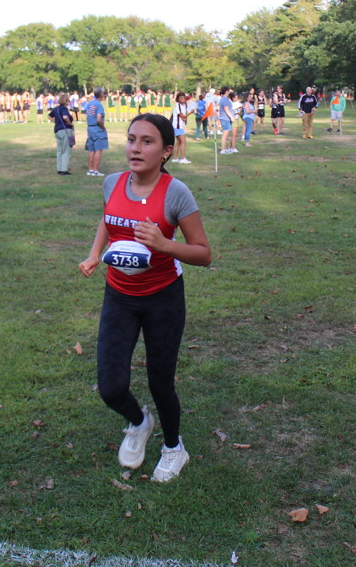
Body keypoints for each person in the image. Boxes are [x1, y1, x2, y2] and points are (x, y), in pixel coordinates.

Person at [78, 113, 212, 483]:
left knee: (160, 382)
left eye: (147, 141)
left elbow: (204, 254)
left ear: (166, 151)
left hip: (162, 298)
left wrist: (164, 244)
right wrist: (95, 254)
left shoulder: (176, 193)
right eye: (131, 139)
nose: (135, 148)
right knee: (111, 387)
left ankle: (173, 447)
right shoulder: (112, 182)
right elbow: (108, 219)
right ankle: (139, 422)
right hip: (119, 296)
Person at [85, 87, 108, 176]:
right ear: (101, 94)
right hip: (97, 129)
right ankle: (95, 170)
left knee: (92, 150)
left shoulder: (89, 104)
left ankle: (90, 170)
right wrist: (103, 127)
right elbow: (99, 119)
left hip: (90, 128)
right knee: (98, 150)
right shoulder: (99, 105)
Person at [52, 92, 75, 175]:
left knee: (60, 150)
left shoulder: (56, 109)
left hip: (57, 130)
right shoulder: (64, 109)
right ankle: (64, 169)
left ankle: (59, 168)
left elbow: (49, 116)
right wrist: (70, 123)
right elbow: (65, 117)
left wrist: (55, 122)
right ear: (66, 101)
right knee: (66, 150)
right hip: (65, 130)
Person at [170, 91, 191, 163]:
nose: (182, 99)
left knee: (178, 142)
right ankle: (182, 158)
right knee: (183, 142)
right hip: (177, 126)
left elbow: (183, 118)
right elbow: (182, 116)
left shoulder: (183, 105)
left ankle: (175, 158)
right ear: (178, 99)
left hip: (180, 126)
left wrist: (185, 118)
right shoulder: (178, 105)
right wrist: (190, 113)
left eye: (183, 97)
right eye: (180, 97)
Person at [218, 87, 237, 154]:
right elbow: (226, 109)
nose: (230, 92)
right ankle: (223, 149)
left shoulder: (224, 99)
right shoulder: (224, 99)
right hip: (225, 118)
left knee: (226, 134)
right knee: (225, 134)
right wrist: (231, 117)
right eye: (229, 91)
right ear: (226, 91)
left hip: (225, 118)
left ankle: (225, 148)